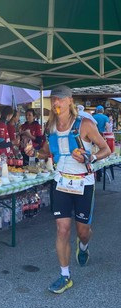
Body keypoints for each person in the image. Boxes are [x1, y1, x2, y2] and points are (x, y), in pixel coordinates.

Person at [27, 85, 110, 294]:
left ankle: (83, 246)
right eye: (54, 99)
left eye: (61, 99)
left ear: (70, 101)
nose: (56, 103)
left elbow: (106, 149)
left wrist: (91, 157)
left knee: (83, 232)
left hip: (83, 183)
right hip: (61, 183)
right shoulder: (51, 126)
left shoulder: (86, 124)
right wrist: (33, 152)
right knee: (62, 229)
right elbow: (45, 152)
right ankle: (65, 275)